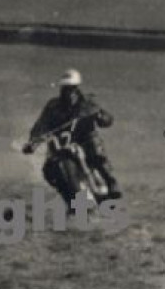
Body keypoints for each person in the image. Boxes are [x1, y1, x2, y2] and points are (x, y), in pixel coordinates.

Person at [21, 68, 120, 202]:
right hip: (59, 144)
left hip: (84, 141)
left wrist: (100, 116)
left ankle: (110, 181)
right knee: (49, 171)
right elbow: (41, 125)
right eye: (66, 88)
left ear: (77, 88)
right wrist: (33, 142)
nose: (69, 92)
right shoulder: (53, 106)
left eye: (72, 88)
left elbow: (107, 121)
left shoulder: (88, 105)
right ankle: (69, 200)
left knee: (95, 149)